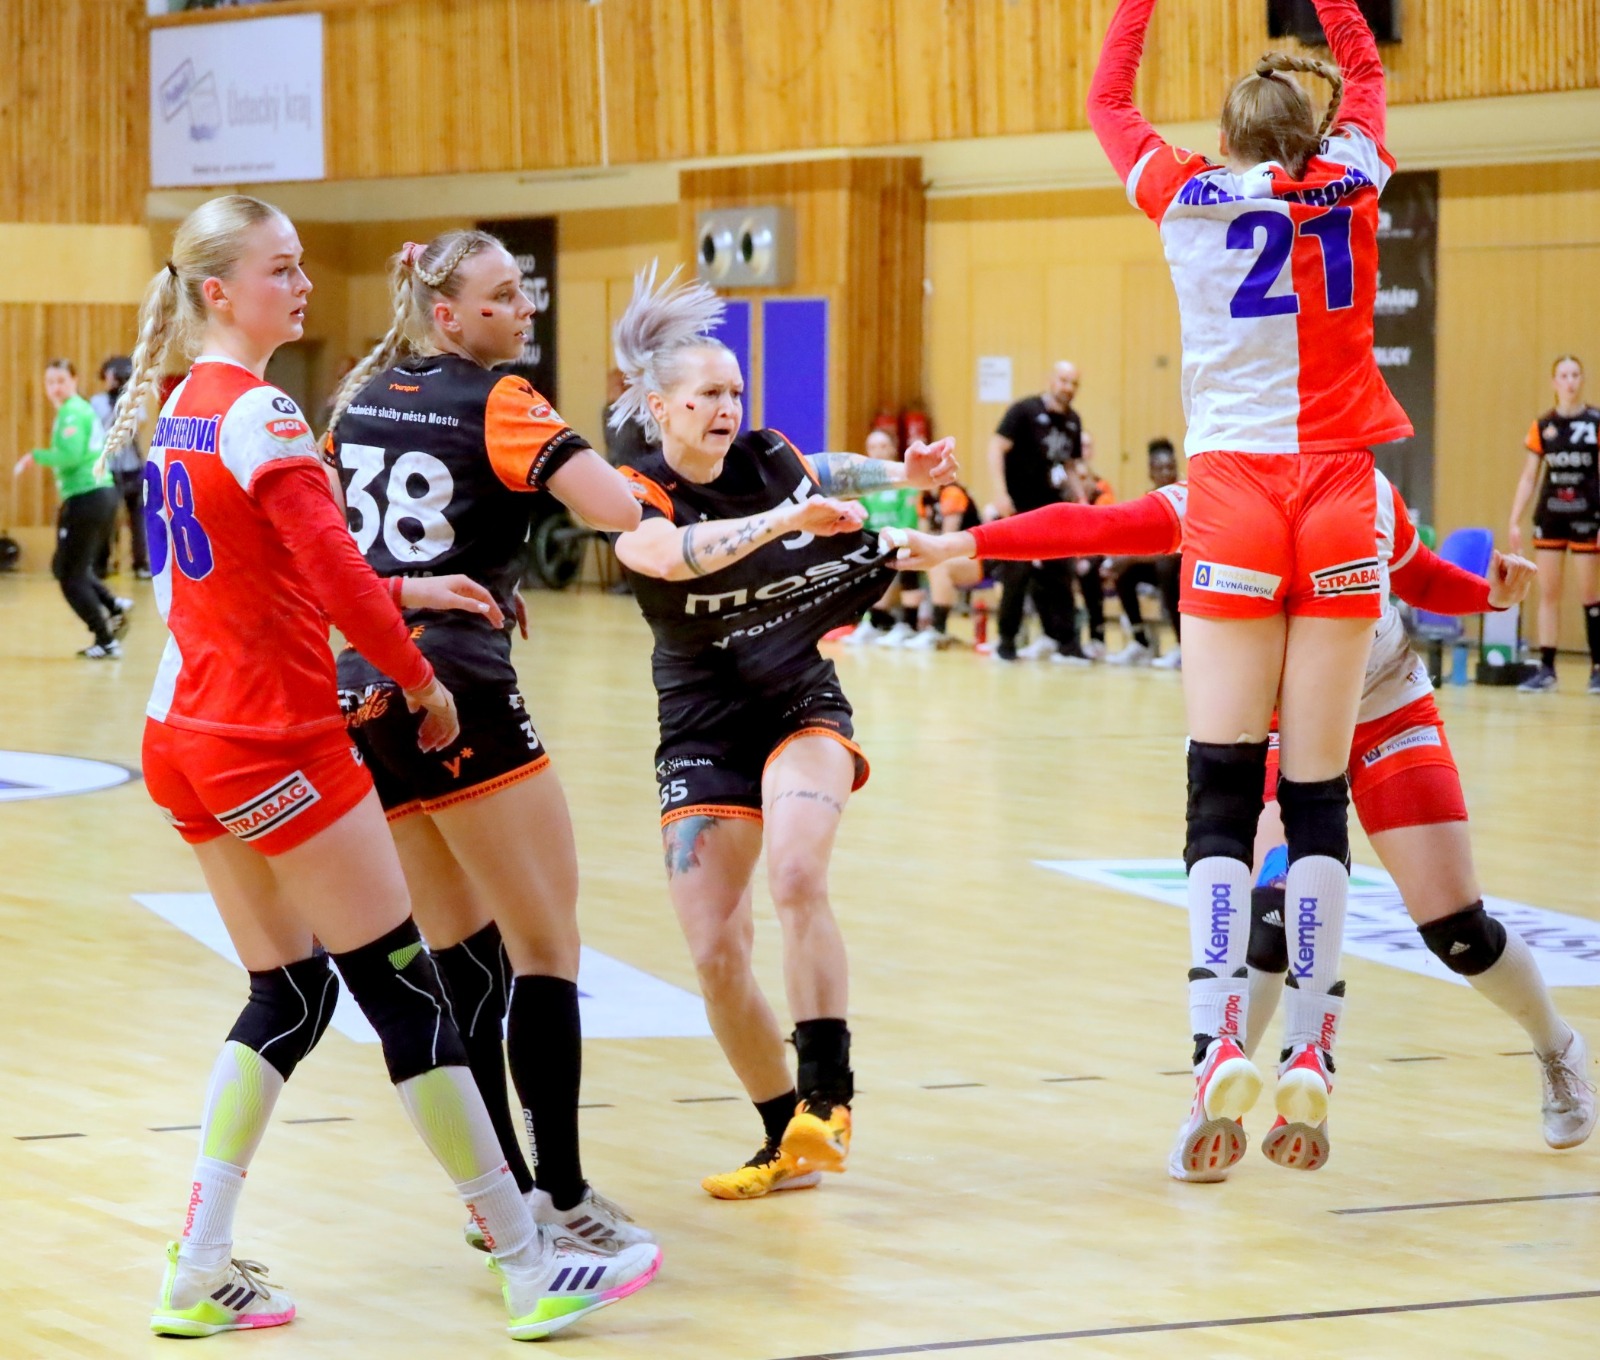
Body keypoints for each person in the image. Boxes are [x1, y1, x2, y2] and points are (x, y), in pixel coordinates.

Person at [104, 194, 658, 1342]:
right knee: (405, 991)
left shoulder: (181, 412)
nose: (303, 283)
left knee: (291, 993)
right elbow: (334, 577)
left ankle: (198, 1265)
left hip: (181, 733)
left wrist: (399, 589)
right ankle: (528, 1259)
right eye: (281, 268)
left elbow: (247, 575)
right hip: (273, 737)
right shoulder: (262, 413)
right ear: (219, 291)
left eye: (302, 263)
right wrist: (417, 676)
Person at [890, 472, 1595, 1172]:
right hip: (1277, 722)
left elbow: (1416, 574)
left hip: (1384, 702)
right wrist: (960, 543)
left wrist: (1488, 596)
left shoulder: (1364, 487)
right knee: (1271, 919)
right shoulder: (1219, 489)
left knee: (1457, 931)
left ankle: (1557, 1045)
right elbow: (1091, 525)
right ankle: (1214, 1105)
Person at [1088, 0, 1415, 1176]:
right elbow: (1365, 66)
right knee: (1317, 795)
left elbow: (1108, 101)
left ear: (1226, 140)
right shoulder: (1353, 175)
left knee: (1222, 790)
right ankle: (1312, 1052)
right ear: (1313, 131)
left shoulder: (1185, 191)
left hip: (1233, 489)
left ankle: (1220, 1037)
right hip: (1336, 489)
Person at [324, 229, 654, 1254]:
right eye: (504, 296)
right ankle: (563, 1195)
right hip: (455, 684)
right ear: (450, 314)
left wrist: (484, 569)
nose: (526, 309)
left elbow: (342, 548)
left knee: (461, 957)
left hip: (360, 687)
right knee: (545, 946)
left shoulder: (357, 400)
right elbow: (616, 510)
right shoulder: (503, 399)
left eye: (523, 293)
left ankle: (502, 1200)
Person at [608, 264, 957, 1199]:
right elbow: (668, 557)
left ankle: (828, 1099)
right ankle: (783, 1138)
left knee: (799, 874)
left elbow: (824, 470)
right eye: (708, 395)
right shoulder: (633, 492)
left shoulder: (768, 460)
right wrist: (778, 523)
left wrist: (903, 474)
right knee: (716, 956)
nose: (727, 409)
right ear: (660, 406)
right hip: (701, 724)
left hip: (799, 704)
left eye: (735, 392)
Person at [12, 358, 128, 658]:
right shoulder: (77, 409)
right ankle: (113, 606)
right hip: (95, 496)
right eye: (50, 382)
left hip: (87, 497)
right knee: (70, 567)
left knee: (69, 576)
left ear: (74, 381)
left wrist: (35, 456)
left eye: (61, 381)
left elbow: (71, 455)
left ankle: (106, 638)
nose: (55, 388)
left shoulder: (72, 411)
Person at [987, 362, 1092, 663]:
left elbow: (1070, 465)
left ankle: (1066, 643)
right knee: (1017, 573)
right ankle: (1006, 642)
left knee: (1061, 572)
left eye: (1074, 383)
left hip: (1052, 508)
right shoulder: (1024, 411)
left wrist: (1081, 499)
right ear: (1050, 380)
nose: (1068, 388)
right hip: (1019, 506)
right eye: (1063, 380)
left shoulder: (1073, 421)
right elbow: (996, 448)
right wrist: (1000, 493)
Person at [1507, 355, 1600, 693]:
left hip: (1587, 515)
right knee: (1549, 593)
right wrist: (1515, 519)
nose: (1570, 381)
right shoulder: (1543, 425)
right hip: (1551, 515)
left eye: (1575, 374)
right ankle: (1547, 669)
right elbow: (1529, 477)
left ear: (1582, 380)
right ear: (1554, 382)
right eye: (1564, 375)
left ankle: (1597, 668)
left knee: (1590, 594)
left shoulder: (1595, 422)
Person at [841, 428, 923, 646]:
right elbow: (862, 520)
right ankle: (874, 622)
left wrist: (892, 540)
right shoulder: (865, 486)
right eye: (873, 447)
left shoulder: (906, 481)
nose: (878, 451)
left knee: (901, 559)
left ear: (893, 449)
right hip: (875, 542)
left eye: (883, 446)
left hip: (901, 540)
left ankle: (907, 626)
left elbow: (909, 519)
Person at [1106, 438, 1182, 668]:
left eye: (1170, 467)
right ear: (1151, 472)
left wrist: (1130, 558)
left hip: (1182, 567)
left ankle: (1182, 646)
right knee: (1122, 572)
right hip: (1157, 564)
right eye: (1160, 468)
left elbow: (1177, 551)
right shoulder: (1149, 500)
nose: (1166, 473)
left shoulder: (1183, 496)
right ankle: (1140, 642)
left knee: (1165, 567)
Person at [902, 481, 986, 650]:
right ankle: (908, 627)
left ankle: (938, 630)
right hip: (950, 554)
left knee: (940, 564)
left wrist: (926, 543)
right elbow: (923, 536)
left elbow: (948, 539)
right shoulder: (925, 498)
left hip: (977, 557)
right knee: (906, 559)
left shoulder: (952, 493)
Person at [91, 355, 152, 580]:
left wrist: (125, 403)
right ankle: (101, 563)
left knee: (138, 519)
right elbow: (101, 431)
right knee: (106, 518)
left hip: (132, 467)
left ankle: (140, 563)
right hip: (108, 468)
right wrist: (113, 408)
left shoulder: (134, 399)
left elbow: (137, 425)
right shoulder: (97, 402)